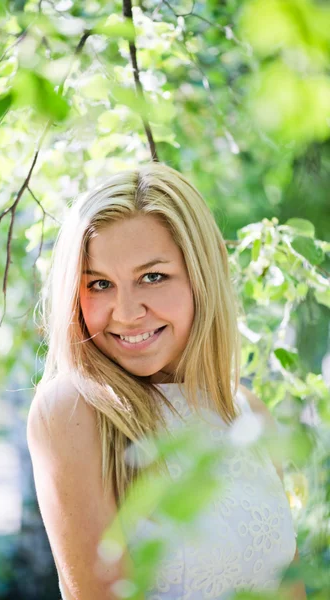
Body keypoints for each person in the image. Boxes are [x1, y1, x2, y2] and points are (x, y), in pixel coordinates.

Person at [26, 163, 306, 599]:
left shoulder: (249, 413)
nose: (126, 312)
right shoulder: (73, 409)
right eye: (100, 284)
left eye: (152, 277)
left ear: (201, 276)